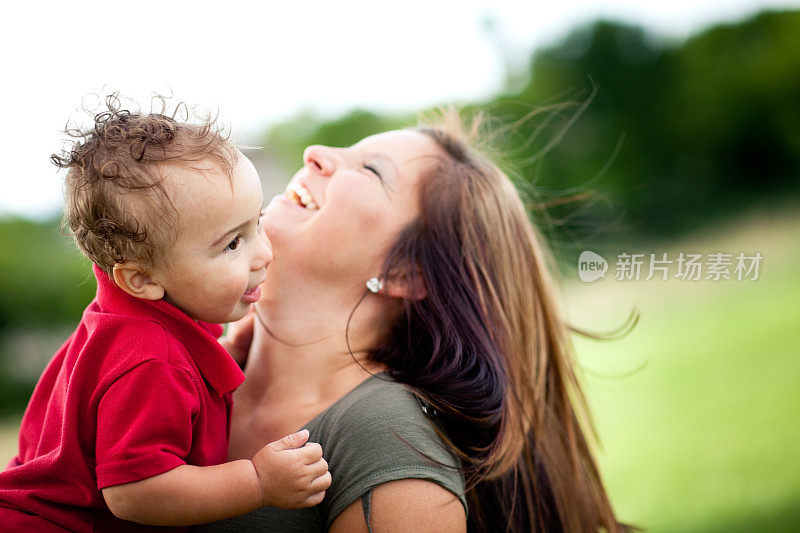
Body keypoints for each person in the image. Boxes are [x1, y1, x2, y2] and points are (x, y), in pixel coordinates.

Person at [198, 109, 631, 532]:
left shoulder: (385, 447)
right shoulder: (177, 368)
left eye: (370, 170)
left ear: (404, 272)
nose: (314, 151)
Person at [0, 98, 331, 532]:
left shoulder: (137, 318)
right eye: (232, 244)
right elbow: (136, 490)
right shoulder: (151, 360)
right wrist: (258, 482)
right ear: (140, 279)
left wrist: (226, 350)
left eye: (259, 223)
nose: (264, 253)